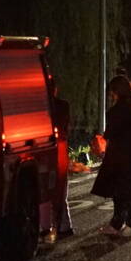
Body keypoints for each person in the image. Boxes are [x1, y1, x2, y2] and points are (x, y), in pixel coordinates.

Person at [91, 75, 131, 236]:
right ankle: (129, 223)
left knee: (119, 190)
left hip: (120, 153)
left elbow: (111, 132)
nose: (110, 95)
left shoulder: (118, 110)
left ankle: (120, 223)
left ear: (117, 91)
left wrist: (102, 143)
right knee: (130, 189)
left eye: (112, 92)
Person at [51, 85, 74, 238]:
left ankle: (53, 224)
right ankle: (63, 225)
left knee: (52, 188)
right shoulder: (63, 105)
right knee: (60, 186)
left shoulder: (45, 107)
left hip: (50, 148)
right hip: (60, 146)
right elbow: (66, 126)